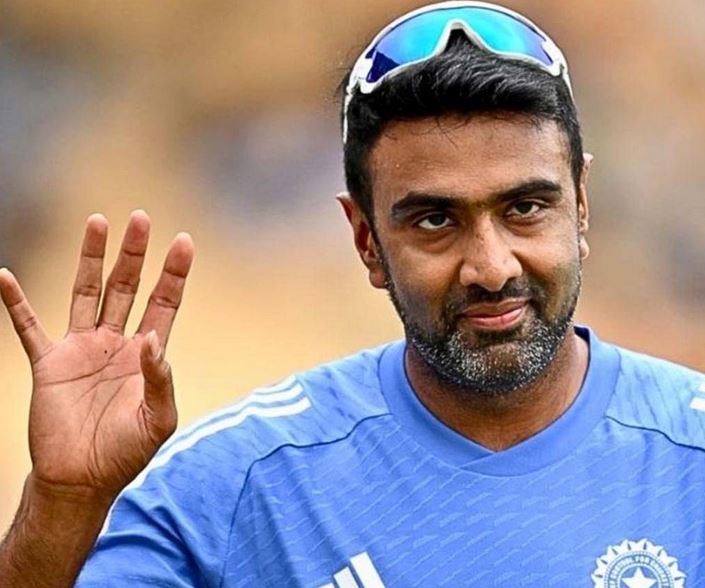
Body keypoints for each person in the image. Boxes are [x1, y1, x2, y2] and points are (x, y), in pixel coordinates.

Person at [1, 1, 703, 586]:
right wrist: (62, 502)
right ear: (366, 240)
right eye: (435, 221)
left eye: (524, 208)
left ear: (580, 205)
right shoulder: (237, 487)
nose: (490, 268)